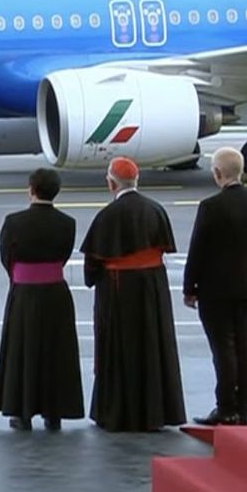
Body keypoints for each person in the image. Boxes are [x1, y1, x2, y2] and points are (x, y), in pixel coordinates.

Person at [81, 157, 187, 432]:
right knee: (154, 346)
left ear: (111, 182)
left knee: (119, 348)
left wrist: (93, 278)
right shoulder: (156, 210)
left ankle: (118, 413)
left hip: (118, 290)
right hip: (153, 290)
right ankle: (156, 412)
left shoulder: (107, 216)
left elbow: (92, 264)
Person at [183, 148, 247, 427]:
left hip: (217, 289)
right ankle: (245, 408)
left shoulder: (211, 207)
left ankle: (225, 407)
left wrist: (190, 287)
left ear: (217, 173)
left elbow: (197, 250)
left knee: (223, 348)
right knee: (245, 344)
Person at [0, 168, 84, 430]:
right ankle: (53, 412)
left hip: (24, 292)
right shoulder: (68, 222)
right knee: (56, 351)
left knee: (23, 350)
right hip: (56, 292)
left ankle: (23, 411)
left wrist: (20, 276)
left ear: (31, 189)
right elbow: (64, 256)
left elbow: (6, 256)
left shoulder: (14, 221)